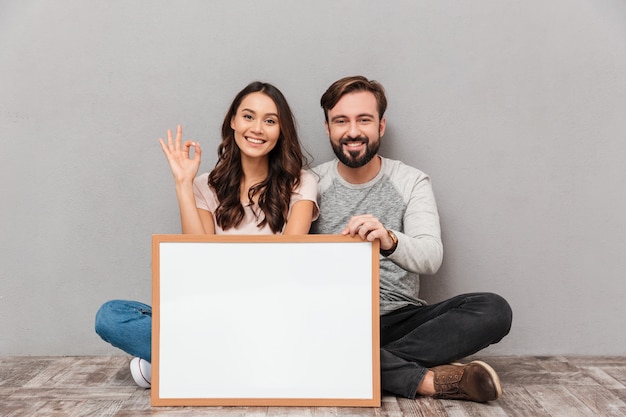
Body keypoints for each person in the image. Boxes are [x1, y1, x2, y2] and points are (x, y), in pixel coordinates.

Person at [95, 81, 318, 388]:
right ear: (233, 122)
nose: (257, 128)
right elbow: (195, 257)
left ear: (281, 131)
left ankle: (181, 363)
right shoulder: (205, 185)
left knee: (286, 333)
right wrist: (183, 184)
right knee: (111, 316)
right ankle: (214, 362)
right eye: (248, 117)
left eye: (270, 120)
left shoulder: (301, 182)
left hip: (270, 316)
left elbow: (289, 256)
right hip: (212, 315)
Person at [310, 75, 512, 403]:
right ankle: (430, 380)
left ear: (381, 126)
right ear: (327, 127)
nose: (352, 131)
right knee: (299, 330)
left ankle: (359, 361)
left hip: (403, 319)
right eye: (340, 121)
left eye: (364, 119)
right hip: (337, 319)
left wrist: (388, 239)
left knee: (494, 309)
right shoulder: (310, 184)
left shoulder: (410, 180)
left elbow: (431, 256)